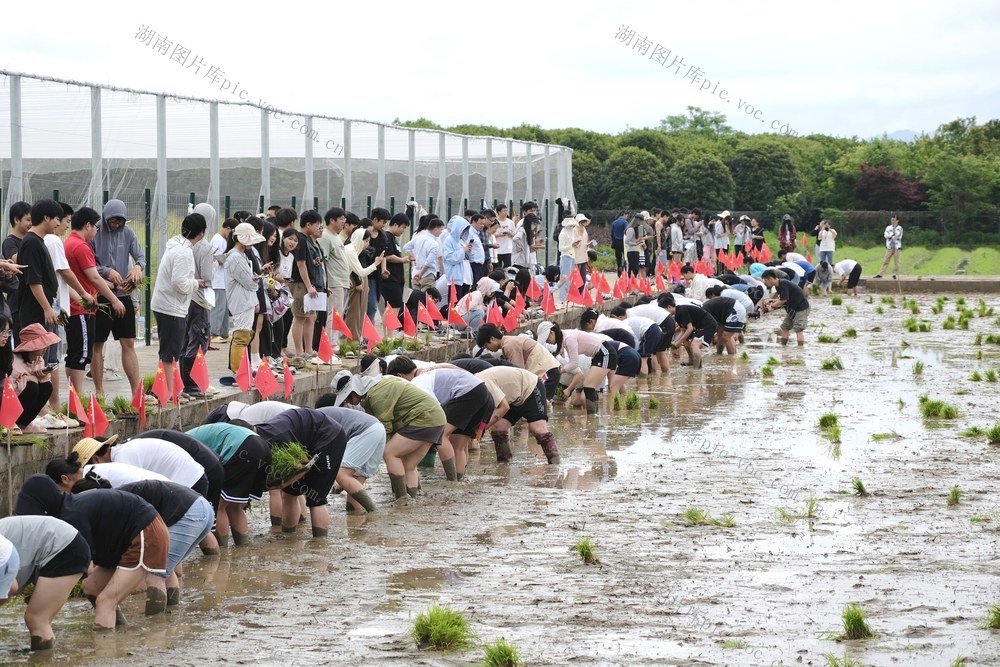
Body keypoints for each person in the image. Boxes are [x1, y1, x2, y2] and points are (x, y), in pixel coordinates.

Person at [15, 474, 169, 628]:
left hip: (145, 533)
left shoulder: (73, 515)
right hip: (124, 541)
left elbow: (85, 566)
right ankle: (121, 630)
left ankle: (109, 646)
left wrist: (46, 588)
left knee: (105, 601)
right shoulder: (68, 508)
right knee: (92, 588)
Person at [72, 475, 213, 609]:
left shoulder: (109, 506)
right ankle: (171, 613)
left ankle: (156, 625)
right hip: (201, 507)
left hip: (189, 512)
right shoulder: (112, 499)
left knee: (153, 573)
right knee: (164, 569)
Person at [332, 372, 446, 500]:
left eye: (347, 397)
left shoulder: (377, 395)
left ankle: (401, 499)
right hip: (436, 418)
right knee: (408, 466)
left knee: (389, 453)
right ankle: (412, 502)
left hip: (423, 418)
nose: (347, 402)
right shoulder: (376, 387)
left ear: (354, 391)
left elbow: (384, 430)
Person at [386, 357, 496, 481]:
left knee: (441, 435)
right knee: (458, 444)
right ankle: (460, 480)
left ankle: (452, 480)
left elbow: (433, 410)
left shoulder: (418, 382)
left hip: (467, 392)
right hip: (481, 391)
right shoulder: (430, 370)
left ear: (399, 376)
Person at [252, 408, 348, 537]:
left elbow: (303, 466)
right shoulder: (260, 441)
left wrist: (280, 484)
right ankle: (288, 537)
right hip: (306, 441)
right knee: (288, 494)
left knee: (316, 498)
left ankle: (319, 544)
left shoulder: (278, 438)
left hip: (329, 437)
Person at [0, 515, 91, 650]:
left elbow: (11, 587)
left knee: (37, 619)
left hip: (63, 547)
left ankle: (43, 661)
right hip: (54, 542)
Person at [63, 208, 125, 401]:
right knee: (81, 355)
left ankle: (74, 396)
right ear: (87, 225)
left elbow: (90, 278)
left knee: (74, 353)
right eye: (96, 227)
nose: (97, 231)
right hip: (81, 308)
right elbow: (94, 278)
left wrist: (114, 285)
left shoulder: (69, 242)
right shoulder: (81, 246)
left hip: (74, 305)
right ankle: (78, 399)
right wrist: (114, 299)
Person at [184, 422, 271, 546]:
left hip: (241, 446)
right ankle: (243, 547)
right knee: (234, 506)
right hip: (262, 446)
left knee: (218, 505)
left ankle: (222, 549)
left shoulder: (177, 446)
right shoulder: (190, 435)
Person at [92, 199, 145, 399]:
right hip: (102, 296)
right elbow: (89, 265)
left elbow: (140, 256)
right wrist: (107, 271)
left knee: (128, 342)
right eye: (112, 220)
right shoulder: (95, 233)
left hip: (123, 294)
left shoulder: (128, 233)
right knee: (98, 344)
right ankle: (99, 391)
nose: (115, 224)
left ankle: (135, 392)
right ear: (105, 217)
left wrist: (138, 267)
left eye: (119, 221)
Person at [151, 213, 206, 402]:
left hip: (167, 304)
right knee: (170, 353)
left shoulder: (177, 245)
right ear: (202, 233)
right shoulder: (183, 252)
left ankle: (167, 389)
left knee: (169, 350)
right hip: (171, 307)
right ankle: (171, 392)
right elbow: (179, 282)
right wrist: (197, 284)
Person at [313, 399, 386, 513]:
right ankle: (356, 521)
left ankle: (374, 512)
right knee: (355, 481)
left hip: (365, 430)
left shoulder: (311, 420)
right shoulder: (322, 415)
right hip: (377, 428)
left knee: (342, 474)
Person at [73, 435, 207, 496]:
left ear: (96, 460)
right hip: (192, 476)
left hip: (188, 480)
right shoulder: (124, 450)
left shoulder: (122, 459)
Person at [222, 222, 265, 384]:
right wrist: (255, 280)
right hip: (241, 302)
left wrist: (254, 279)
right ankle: (238, 371)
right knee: (241, 337)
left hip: (246, 301)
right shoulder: (235, 257)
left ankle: (242, 370)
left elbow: (250, 280)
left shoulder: (241, 256)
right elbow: (250, 283)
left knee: (245, 335)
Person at [319, 207, 350, 360]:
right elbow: (322, 261)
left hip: (342, 281)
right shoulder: (325, 236)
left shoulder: (336, 236)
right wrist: (326, 283)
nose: (344, 222)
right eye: (341, 219)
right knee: (333, 313)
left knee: (339, 313)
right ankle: (331, 343)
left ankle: (335, 341)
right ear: (332, 220)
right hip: (333, 281)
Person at [344, 228, 383, 343]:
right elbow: (360, 272)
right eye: (366, 241)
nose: (367, 244)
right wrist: (376, 264)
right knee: (350, 311)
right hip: (339, 283)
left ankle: (353, 339)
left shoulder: (352, 250)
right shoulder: (351, 251)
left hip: (345, 281)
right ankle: (351, 341)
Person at [759, 268, 811, 346]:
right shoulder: (778, 285)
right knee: (785, 327)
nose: (766, 283)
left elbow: (783, 300)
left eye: (766, 281)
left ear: (770, 279)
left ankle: (800, 351)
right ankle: (783, 347)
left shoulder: (783, 283)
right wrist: (772, 301)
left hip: (801, 308)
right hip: (792, 309)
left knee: (798, 329)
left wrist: (771, 307)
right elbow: (783, 298)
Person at [664, 301, 717, 369]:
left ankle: (697, 369)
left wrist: (678, 342)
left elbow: (690, 328)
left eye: (664, 310)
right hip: (699, 326)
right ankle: (691, 360)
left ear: (669, 307)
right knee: (685, 340)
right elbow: (683, 330)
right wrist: (675, 342)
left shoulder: (682, 311)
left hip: (708, 325)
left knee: (694, 345)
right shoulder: (677, 315)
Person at [210, 218, 237, 343]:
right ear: (227, 229)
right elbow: (215, 256)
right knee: (218, 307)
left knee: (225, 308)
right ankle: (213, 333)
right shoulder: (217, 239)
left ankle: (224, 333)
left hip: (224, 280)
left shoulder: (223, 240)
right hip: (218, 280)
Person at [380, 213, 411, 319]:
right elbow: (387, 256)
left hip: (397, 279)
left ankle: (388, 334)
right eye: (403, 227)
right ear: (395, 225)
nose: (403, 231)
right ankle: (388, 334)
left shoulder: (393, 238)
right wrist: (402, 260)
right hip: (390, 279)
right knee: (394, 307)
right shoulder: (386, 237)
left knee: (393, 307)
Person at [623, 214, 647, 278]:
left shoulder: (638, 230)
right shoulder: (631, 229)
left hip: (636, 251)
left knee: (635, 270)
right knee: (633, 269)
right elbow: (627, 241)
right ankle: (630, 283)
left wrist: (641, 243)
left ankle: (632, 282)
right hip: (632, 251)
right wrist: (635, 244)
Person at [495, 204, 515, 268]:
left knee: (508, 267)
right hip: (497, 249)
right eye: (504, 211)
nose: (506, 212)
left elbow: (514, 234)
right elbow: (490, 233)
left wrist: (510, 234)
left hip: (508, 249)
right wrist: (498, 235)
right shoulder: (494, 222)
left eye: (507, 211)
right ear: (498, 212)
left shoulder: (510, 222)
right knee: (498, 268)